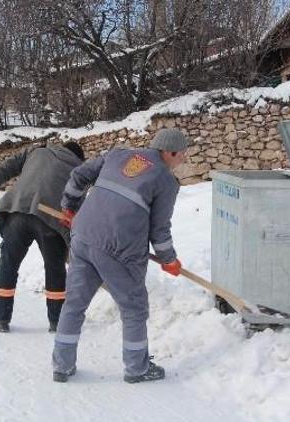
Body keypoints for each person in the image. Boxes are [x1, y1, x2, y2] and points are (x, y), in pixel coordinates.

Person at [51, 128, 188, 384]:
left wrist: (69, 206)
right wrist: (169, 259)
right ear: (169, 152)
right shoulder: (165, 181)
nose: (183, 160)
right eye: (182, 155)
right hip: (118, 248)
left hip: (83, 235)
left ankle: (62, 364)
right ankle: (137, 368)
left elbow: (79, 174)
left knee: (74, 303)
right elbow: (160, 229)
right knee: (134, 308)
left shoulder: (118, 155)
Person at [0, 141, 85, 333]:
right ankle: (57, 322)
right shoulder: (80, 169)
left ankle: (1, 318)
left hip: (17, 209)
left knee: (8, 265)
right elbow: (76, 209)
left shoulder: (36, 150)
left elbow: (4, 168)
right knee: (55, 270)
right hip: (50, 220)